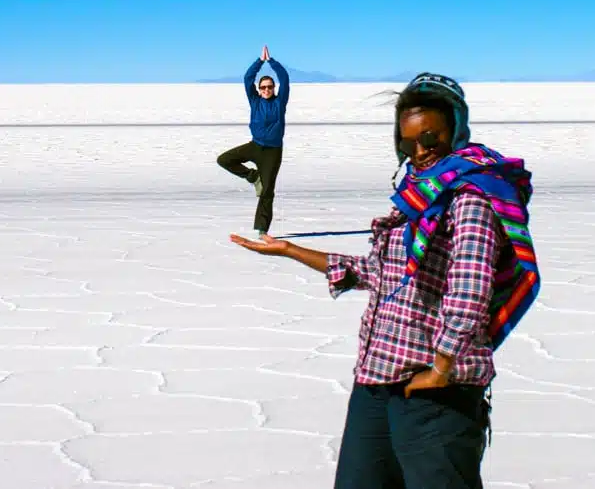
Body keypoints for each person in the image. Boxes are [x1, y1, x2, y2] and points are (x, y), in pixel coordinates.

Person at [230, 72, 541, 489]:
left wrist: (443, 368)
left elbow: (469, 290)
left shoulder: (471, 196)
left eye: (431, 138)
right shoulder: (421, 194)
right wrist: (290, 250)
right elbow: (381, 273)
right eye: (407, 142)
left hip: (433, 391)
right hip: (378, 379)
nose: (419, 151)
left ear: (458, 129)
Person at [216, 45, 291, 235]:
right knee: (224, 159)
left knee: (267, 192)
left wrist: (271, 62)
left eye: (269, 87)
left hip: (272, 152)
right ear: (259, 89)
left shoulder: (279, 102)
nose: (266, 89)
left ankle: (262, 230)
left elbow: (285, 78)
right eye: (263, 87)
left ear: (274, 89)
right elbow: (247, 78)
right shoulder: (255, 101)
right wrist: (260, 62)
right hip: (255, 146)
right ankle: (253, 176)